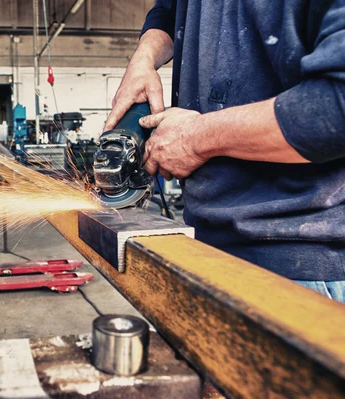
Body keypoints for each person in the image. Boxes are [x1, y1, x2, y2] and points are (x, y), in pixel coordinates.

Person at [105, 0, 345, 302]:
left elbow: (336, 108)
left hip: (296, 264)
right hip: (204, 242)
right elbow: (167, 10)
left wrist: (196, 139)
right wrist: (143, 57)